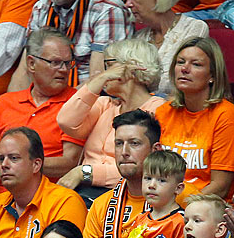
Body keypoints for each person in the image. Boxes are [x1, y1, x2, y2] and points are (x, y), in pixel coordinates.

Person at [61, 59, 164, 222]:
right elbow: (65, 121)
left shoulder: (159, 109)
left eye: (109, 66)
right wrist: (100, 80)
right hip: (85, 189)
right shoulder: (105, 104)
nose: (104, 73)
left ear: (131, 69)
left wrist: (86, 172)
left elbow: (143, 167)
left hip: (126, 191)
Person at [0, 31, 82, 188]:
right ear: (31, 64)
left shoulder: (77, 102)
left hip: (44, 199)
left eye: (68, 63)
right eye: (55, 62)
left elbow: (69, 162)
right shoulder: (6, 102)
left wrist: (18, 164)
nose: (64, 70)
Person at [18, 0, 129, 86]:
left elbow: (99, 81)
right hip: (47, 99)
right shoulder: (42, 7)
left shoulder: (107, 9)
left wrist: (58, 107)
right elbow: (24, 69)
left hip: (88, 101)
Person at [154, 38, 234, 201]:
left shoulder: (226, 116)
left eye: (196, 64)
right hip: (165, 204)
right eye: (180, 62)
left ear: (212, 75)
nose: (184, 69)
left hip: (205, 210)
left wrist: (175, 209)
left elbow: (220, 187)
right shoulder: (164, 112)